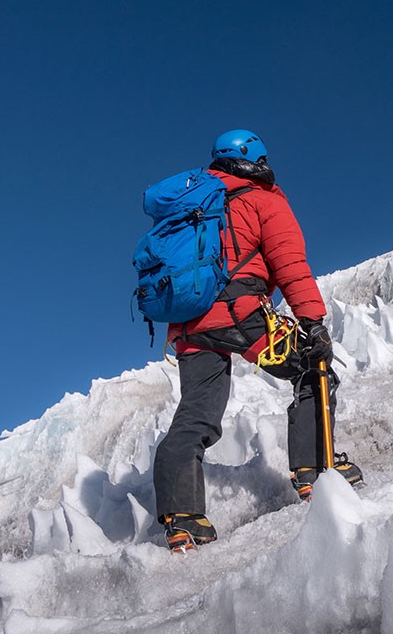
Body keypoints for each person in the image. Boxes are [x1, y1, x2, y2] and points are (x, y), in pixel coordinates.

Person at [152, 129, 362, 553]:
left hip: (190, 324)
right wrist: (312, 321)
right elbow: (290, 263)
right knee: (311, 367)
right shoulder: (264, 200)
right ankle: (315, 470)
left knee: (196, 412)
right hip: (241, 311)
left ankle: (183, 517)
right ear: (259, 161)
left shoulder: (195, 207)